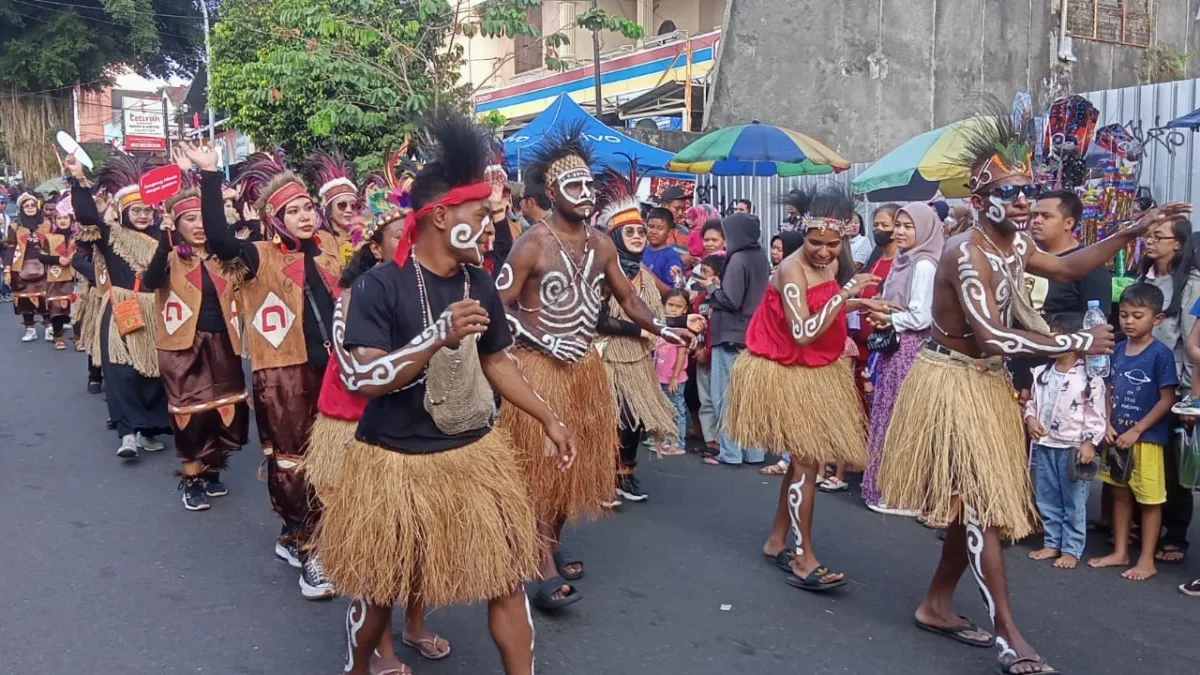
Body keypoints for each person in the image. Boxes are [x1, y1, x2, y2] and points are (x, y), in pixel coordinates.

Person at [877, 108, 1185, 675]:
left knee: (977, 507)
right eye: (1012, 193)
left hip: (986, 385)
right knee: (983, 511)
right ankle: (1009, 637)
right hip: (950, 382)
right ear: (981, 194)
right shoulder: (966, 252)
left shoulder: (1012, 247)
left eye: (1029, 193)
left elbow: (1067, 269)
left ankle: (937, 603)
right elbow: (991, 335)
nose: (1023, 204)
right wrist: (1078, 339)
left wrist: (1131, 231)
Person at [315, 114, 575, 675]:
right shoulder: (378, 287)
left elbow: (498, 361)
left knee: (508, 580)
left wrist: (549, 418)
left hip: (474, 457)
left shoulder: (478, 281)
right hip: (395, 462)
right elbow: (363, 379)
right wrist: (436, 335)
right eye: (480, 216)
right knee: (380, 591)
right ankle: (359, 667)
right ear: (439, 216)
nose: (490, 228)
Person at [496, 125, 690, 611]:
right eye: (574, 186)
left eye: (588, 186)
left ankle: (551, 544)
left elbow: (627, 299)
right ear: (551, 192)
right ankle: (539, 564)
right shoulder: (530, 245)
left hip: (584, 371)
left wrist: (665, 328)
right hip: (538, 370)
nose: (585, 195)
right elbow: (497, 308)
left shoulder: (602, 244)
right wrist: (543, 337)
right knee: (542, 465)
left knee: (572, 465)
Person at [304, 184, 452, 674]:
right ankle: (377, 649)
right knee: (382, 548)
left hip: (417, 431)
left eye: (415, 233)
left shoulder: (430, 288)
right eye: (399, 235)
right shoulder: (357, 297)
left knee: (421, 543)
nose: (411, 242)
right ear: (375, 246)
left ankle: (414, 623)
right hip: (358, 433)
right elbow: (359, 377)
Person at [196, 143, 343, 600]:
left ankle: (328, 535)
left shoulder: (330, 249)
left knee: (338, 457)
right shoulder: (257, 255)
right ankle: (306, 544)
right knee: (294, 460)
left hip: (335, 370)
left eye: (307, 208)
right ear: (275, 219)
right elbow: (219, 240)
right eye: (292, 211)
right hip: (283, 376)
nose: (304, 216)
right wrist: (208, 178)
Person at [724, 186, 872, 591]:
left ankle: (777, 540)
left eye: (832, 244)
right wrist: (847, 293)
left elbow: (825, 307)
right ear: (801, 234)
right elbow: (803, 331)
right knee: (808, 463)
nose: (824, 252)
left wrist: (862, 305)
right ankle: (803, 555)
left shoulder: (831, 262)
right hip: (786, 370)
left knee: (802, 462)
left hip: (813, 372)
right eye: (815, 243)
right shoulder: (791, 268)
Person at [139, 154, 251, 512]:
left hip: (224, 343)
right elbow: (151, 281)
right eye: (190, 219)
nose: (199, 225)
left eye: (203, 217)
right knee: (190, 414)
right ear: (178, 224)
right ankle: (192, 480)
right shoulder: (170, 257)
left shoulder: (226, 258)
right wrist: (163, 238)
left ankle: (214, 469)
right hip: (182, 348)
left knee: (224, 411)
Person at [67, 152, 172, 459]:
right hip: (121, 310)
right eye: (136, 210)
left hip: (155, 310)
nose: (142, 215)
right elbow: (87, 217)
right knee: (121, 373)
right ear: (124, 211)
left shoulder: (162, 235)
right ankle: (127, 432)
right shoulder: (111, 235)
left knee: (155, 373)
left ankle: (150, 429)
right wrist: (78, 180)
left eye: (147, 211)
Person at [593, 179, 680, 504]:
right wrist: (636, 331)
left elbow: (657, 313)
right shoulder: (602, 273)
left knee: (634, 421)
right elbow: (596, 320)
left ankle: (624, 475)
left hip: (638, 361)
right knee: (609, 421)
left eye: (641, 232)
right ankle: (601, 479)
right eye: (629, 233)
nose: (637, 237)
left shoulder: (644, 275)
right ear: (615, 236)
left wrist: (683, 322)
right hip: (607, 358)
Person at [1085, 283, 1176, 581]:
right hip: (1116, 435)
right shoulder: (1118, 349)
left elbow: (1167, 399)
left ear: (1157, 319)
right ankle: (1120, 550)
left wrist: (1137, 430)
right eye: (1124, 315)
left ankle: (1147, 559)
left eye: (1138, 315)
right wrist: (1107, 423)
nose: (1129, 321)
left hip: (1146, 439)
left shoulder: (1161, 355)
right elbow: (1107, 389)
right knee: (1120, 494)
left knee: (1149, 499)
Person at [860, 202, 944, 513]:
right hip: (895, 347)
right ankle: (888, 488)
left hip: (909, 347)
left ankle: (904, 493)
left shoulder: (923, 264)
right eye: (899, 225)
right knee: (889, 413)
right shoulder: (905, 260)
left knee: (901, 418)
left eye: (908, 226)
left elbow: (921, 316)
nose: (900, 231)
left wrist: (889, 320)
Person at [1135, 217, 1198, 564]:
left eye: (1159, 236)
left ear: (1178, 243)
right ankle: (1141, 525)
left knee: (1174, 464)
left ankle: (1175, 534)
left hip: (1173, 385)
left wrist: (1191, 396)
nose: (1150, 240)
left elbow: (1192, 343)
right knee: (1143, 455)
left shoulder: (1190, 283)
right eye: (1149, 234)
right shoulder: (1144, 276)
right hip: (1140, 379)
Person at [1023, 312, 1106, 570]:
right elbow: (1032, 404)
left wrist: (1090, 442)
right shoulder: (1042, 373)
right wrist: (1030, 419)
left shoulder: (1089, 378)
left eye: (1055, 336)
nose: (1049, 341)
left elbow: (1096, 412)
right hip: (1046, 443)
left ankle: (1071, 548)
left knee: (1073, 499)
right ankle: (1052, 542)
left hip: (1072, 447)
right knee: (1046, 496)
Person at [1013, 190, 1113, 400]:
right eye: (1035, 215)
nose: (1037, 221)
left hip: (1063, 380)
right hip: (1018, 365)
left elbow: (1096, 329)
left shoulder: (1088, 267)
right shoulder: (1023, 260)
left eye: (1046, 216)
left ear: (1068, 223)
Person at [703, 212, 770, 467]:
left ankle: (730, 452)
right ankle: (754, 452)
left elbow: (730, 299)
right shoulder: (761, 258)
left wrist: (711, 288)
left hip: (731, 334)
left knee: (725, 396)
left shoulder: (738, 259)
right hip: (753, 335)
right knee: (749, 397)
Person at [759, 231, 805, 476]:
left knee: (796, 414)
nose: (776, 252)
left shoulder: (796, 273)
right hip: (779, 349)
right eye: (773, 247)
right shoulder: (781, 272)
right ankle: (790, 459)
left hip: (797, 353)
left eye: (780, 248)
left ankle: (792, 460)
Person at [4, 192, 53, 342]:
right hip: (20, 267)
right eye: (27, 206)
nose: (30, 208)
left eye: (33, 205)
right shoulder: (15, 227)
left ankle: (49, 327)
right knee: (24, 300)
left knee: (46, 297)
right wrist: (7, 270)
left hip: (44, 266)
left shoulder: (46, 224)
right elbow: (11, 248)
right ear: (21, 208)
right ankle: (30, 328)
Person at [305, 149, 361, 259]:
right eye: (342, 205)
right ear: (329, 209)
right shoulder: (317, 240)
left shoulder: (366, 239)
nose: (349, 210)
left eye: (354, 205)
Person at [655, 289, 691, 456]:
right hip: (660, 376)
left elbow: (682, 355)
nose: (674, 309)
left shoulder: (681, 330)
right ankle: (665, 440)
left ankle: (677, 442)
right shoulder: (661, 327)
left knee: (676, 409)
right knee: (664, 409)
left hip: (673, 378)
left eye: (679, 306)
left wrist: (675, 377)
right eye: (670, 305)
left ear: (685, 310)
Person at [643, 207, 685, 287]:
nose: (654, 232)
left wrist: (646, 272)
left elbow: (674, 291)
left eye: (660, 228)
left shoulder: (671, 257)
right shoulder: (641, 251)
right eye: (651, 226)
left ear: (669, 232)